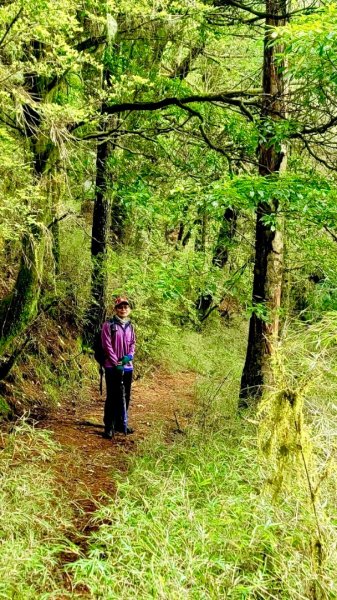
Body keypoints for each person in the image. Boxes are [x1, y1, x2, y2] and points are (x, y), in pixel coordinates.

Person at [101, 296, 135, 438]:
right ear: (115, 309)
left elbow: (133, 344)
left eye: (125, 307)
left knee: (125, 395)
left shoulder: (131, 326)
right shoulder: (108, 325)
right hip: (112, 367)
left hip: (127, 367)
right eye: (120, 307)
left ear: (129, 309)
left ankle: (122, 423)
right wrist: (117, 363)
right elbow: (106, 345)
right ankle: (109, 426)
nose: (123, 309)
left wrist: (128, 358)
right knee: (113, 396)